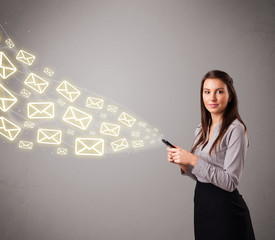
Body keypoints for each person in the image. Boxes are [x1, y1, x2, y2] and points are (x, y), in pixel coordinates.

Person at [167, 70, 255, 240]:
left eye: (219, 91)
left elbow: (230, 182)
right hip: (202, 207)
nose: (212, 98)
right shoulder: (201, 129)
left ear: (230, 96)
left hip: (226, 211)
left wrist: (192, 159)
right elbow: (204, 177)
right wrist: (183, 163)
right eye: (207, 92)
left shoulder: (236, 130)